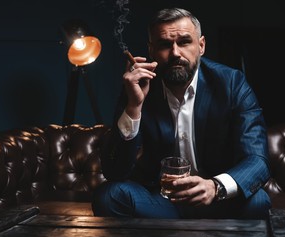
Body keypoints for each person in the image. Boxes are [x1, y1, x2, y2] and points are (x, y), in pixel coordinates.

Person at [92, 7, 271, 219]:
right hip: (160, 203)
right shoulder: (137, 87)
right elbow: (114, 172)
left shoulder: (232, 84)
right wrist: (134, 106)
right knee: (108, 197)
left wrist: (216, 187)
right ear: (151, 50)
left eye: (185, 42)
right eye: (165, 44)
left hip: (218, 200)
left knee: (259, 201)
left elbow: (257, 159)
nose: (175, 53)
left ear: (201, 45)